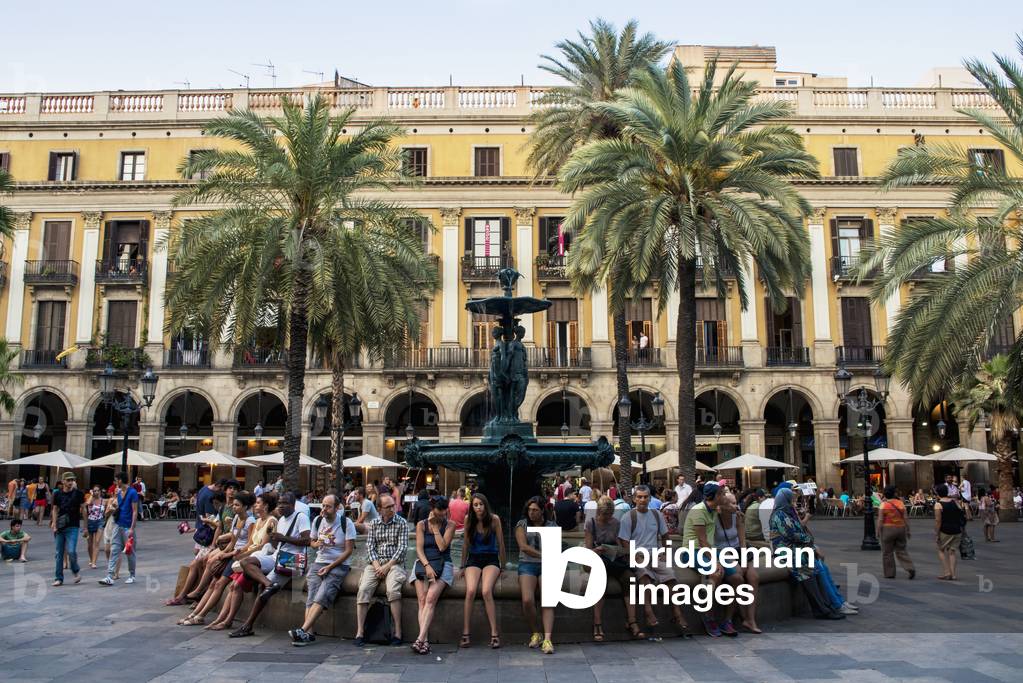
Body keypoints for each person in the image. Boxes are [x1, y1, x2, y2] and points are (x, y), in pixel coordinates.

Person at [230, 492, 311, 638]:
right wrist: (272, 537)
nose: (280, 506)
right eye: (279, 503)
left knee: (264, 593)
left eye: (284, 503)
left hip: (292, 560)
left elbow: (307, 541)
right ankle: (269, 583)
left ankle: (247, 626)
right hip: (277, 557)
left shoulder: (301, 518)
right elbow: (277, 543)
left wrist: (283, 538)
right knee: (245, 562)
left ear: (292, 505)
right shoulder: (280, 521)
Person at [619, 484, 690, 639]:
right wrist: (634, 556)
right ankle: (648, 610)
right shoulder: (628, 517)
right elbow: (623, 541)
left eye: (645, 497)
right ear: (634, 499)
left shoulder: (657, 515)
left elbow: (665, 536)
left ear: (650, 498)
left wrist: (664, 551)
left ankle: (677, 612)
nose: (642, 500)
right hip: (638, 556)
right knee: (645, 576)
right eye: (639, 497)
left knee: (671, 575)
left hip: (655, 555)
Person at [178, 491, 257, 627]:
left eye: (237, 505)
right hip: (231, 554)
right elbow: (233, 539)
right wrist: (224, 551)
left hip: (238, 556)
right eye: (234, 505)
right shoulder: (238, 519)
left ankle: (200, 615)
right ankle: (196, 614)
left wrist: (228, 554)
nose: (234, 507)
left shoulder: (250, 521)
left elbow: (249, 544)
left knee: (219, 584)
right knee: (214, 583)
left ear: (245, 507)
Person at [289, 494, 357, 646]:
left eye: (328, 506)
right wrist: (316, 543)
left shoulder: (346, 523)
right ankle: (308, 634)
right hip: (319, 562)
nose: (324, 509)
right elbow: (311, 542)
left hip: (339, 565)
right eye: (323, 505)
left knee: (323, 594)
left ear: (337, 508)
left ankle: (302, 630)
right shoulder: (318, 520)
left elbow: (348, 551)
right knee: (311, 596)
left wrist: (330, 567)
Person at [206, 491, 278, 632]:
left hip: (257, 559)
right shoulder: (257, 521)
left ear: (266, 506)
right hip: (248, 557)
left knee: (236, 586)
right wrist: (240, 554)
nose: (255, 506)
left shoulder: (272, 521)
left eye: (258, 503)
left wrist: (242, 556)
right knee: (233, 586)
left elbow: (263, 545)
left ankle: (227, 620)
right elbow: (250, 542)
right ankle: (222, 619)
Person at [353, 494, 407, 646]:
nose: (392, 509)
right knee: (363, 589)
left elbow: (402, 549)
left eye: (393, 505)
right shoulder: (374, 523)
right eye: (388, 507)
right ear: (379, 509)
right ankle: (360, 632)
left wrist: (387, 566)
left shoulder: (401, 522)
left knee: (393, 590)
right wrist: (377, 566)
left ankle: (398, 631)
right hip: (376, 564)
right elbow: (370, 547)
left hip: (395, 564)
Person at [584, 495, 634, 644]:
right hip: (598, 560)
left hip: (614, 561)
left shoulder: (616, 523)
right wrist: (598, 549)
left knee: (629, 578)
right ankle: (597, 623)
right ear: (598, 512)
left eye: (609, 515)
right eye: (604, 515)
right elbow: (587, 550)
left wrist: (615, 549)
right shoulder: (590, 523)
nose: (607, 518)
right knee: (600, 583)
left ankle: (632, 621)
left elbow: (623, 548)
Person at [459, 492, 506, 649]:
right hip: (473, 559)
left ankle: (494, 633)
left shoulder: (494, 520)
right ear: (472, 507)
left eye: (481, 504)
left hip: (491, 558)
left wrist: (504, 566)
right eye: (475, 505)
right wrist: (461, 566)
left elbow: (500, 544)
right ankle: (465, 632)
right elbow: (465, 544)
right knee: (471, 591)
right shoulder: (468, 520)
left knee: (486, 591)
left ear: (486, 505)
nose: (479, 507)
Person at [409, 496, 455, 654]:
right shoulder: (421, 525)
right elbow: (419, 549)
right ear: (432, 510)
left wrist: (435, 528)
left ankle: (420, 639)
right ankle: (425, 641)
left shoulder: (450, 525)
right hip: (423, 564)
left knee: (430, 599)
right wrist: (427, 566)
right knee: (422, 600)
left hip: (444, 563)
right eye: (438, 514)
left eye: (444, 514)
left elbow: (442, 547)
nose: (442, 517)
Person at [715, 492, 761, 634]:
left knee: (754, 577)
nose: (736, 506)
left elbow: (742, 542)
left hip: (738, 551)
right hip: (722, 552)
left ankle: (750, 619)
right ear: (721, 506)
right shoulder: (713, 519)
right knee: (738, 575)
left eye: (736, 502)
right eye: (732, 503)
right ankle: (741, 615)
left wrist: (744, 559)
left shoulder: (738, 517)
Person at [516, 496, 557, 652]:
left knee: (547, 601)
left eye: (535, 510)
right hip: (527, 564)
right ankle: (536, 632)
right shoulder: (522, 524)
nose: (531, 513)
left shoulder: (552, 526)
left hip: (547, 566)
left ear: (542, 511)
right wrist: (544, 555)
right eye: (529, 510)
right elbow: (523, 547)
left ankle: (547, 639)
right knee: (527, 600)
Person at [98, 472, 139, 586]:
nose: (115, 483)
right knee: (114, 550)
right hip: (118, 525)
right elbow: (120, 508)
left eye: (116, 480)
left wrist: (132, 527)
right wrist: (113, 508)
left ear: (120, 480)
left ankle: (132, 575)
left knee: (130, 552)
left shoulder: (133, 492)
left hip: (127, 527)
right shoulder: (119, 493)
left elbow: (135, 511)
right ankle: (110, 576)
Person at [50, 472, 85, 587]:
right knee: (59, 553)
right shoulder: (57, 494)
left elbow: (84, 510)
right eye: (68, 480)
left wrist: (85, 526)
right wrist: (54, 524)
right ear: (63, 481)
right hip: (60, 526)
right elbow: (55, 510)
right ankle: (59, 578)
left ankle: (75, 570)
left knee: (71, 551)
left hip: (73, 526)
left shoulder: (79, 494)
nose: (70, 482)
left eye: (72, 480)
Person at [877, 485, 915, 580]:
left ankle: (890, 573)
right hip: (900, 529)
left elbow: (880, 519)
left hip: (887, 529)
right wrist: (908, 529)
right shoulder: (900, 503)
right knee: (901, 550)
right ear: (894, 493)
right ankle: (909, 567)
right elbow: (905, 517)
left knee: (887, 552)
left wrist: (878, 530)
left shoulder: (883, 505)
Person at [934, 483, 966, 581]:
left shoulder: (938, 504)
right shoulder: (954, 502)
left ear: (937, 493)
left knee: (941, 550)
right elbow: (961, 515)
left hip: (945, 530)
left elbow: (938, 520)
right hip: (957, 530)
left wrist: (937, 533)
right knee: (952, 552)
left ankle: (947, 572)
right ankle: (953, 574)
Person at [84, 485, 105, 569]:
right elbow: (87, 504)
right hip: (90, 522)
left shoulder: (103, 501)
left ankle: (94, 562)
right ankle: (91, 559)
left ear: (100, 491)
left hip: (100, 522)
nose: (96, 492)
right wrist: (92, 495)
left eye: (97, 491)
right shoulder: (90, 499)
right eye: (94, 491)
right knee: (90, 544)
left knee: (96, 542)